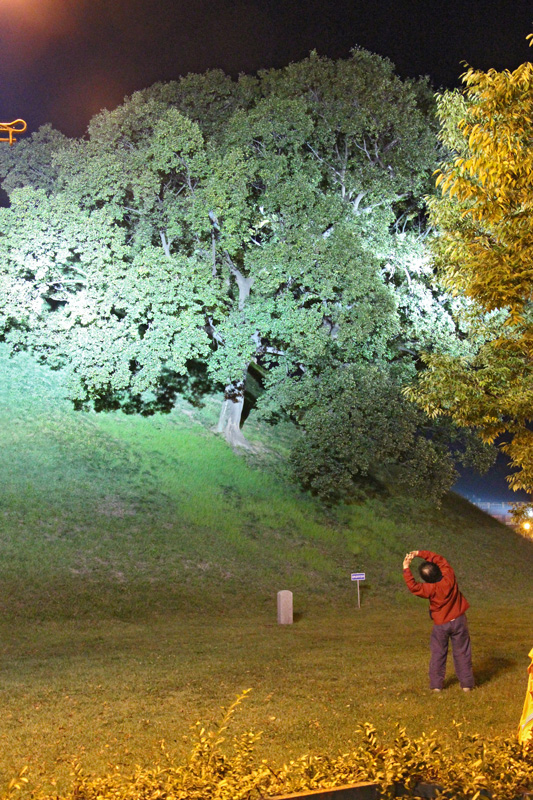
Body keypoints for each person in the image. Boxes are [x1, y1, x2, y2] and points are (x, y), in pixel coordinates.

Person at [403, 549, 474, 692]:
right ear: (439, 570)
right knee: (462, 652)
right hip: (459, 620)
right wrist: (419, 553)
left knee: (438, 654)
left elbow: (413, 586)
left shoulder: (429, 589)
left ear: (425, 579)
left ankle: (436, 686)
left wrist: (406, 567)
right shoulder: (449, 576)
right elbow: (440, 559)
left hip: (441, 625)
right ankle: (466, 685)